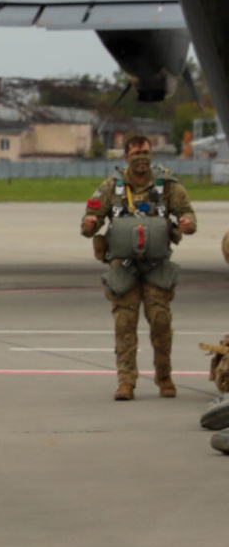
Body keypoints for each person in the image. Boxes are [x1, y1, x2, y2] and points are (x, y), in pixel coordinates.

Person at [81, 135, 196, 400]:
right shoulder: (111, 188)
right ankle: (126, 382)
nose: (141, 158)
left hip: (156, 266)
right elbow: (92, 218)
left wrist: (187, 223)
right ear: (126, 157)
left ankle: (164, 376)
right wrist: (89, 224)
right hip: (124, 267)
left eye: (145, 153)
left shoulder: (168, 186)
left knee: (160, 323)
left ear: (152, 155)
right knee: (124, 325)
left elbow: (186, 212)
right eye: (135, 154)